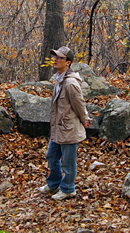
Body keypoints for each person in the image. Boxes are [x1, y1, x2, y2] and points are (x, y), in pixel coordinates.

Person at [37, 46, 91, 200]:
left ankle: (68, 189)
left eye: (60, 58)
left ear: (68, 62)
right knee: (51, 156)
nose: (56, 60)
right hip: (58, 128)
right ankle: (53, 184)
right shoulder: (60, 78)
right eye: (55, 57)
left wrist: (85, 120)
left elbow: (79, 104)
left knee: (68, 162)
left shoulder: (70, 83)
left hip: (69, 128)